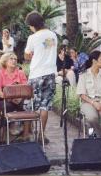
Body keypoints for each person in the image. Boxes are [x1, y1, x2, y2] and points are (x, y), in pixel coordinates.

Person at [24, 11, 57, 144]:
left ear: (32, 25)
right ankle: (42, 135)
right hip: (49, 73)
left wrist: (32, 55)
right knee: (44, 106)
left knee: (30, 105)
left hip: (36, 74)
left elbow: (27, 55)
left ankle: (26, 135)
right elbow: (46, 48)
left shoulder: (33, 37)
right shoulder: (52, 35)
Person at [0, 53, 30, 141]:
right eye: (11, 59)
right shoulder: (1, 73)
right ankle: (2, 138)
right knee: (7, 107)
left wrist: (20, 98)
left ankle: (26, 136)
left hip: (19, 99)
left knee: (27, 107)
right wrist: (9, 98)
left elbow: (26, 88)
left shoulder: (20, 73)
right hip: (5, 99)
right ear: (5, 61)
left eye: (15, 59)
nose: (14, 61)